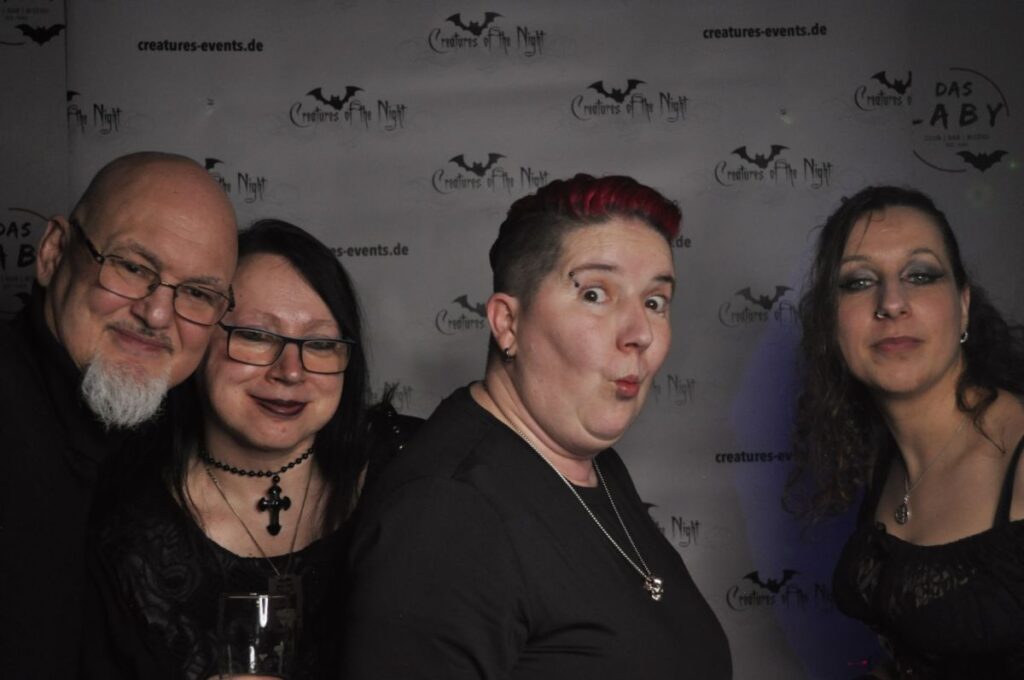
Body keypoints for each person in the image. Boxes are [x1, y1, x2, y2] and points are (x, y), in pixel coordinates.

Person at [341, 174, 732, 679]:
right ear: (508, 323)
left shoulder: (594, 465)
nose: (640, 333)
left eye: (655, 302)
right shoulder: (447, 513)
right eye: (595, 294)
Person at [83, 219, 414, 679]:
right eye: (256, 336)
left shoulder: (413, 470)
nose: (291, 372)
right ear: (198, 338)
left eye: (320, 343)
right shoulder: (118, 520)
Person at [0, 152, 238, 678]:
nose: (157, 313)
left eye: (198, 293)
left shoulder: (152, 440)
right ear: (53, 252)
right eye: (132, 267)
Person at [787, 185, 1024, 678]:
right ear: (831, 323)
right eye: (858, 281)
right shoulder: (882, 456)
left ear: (963, 305)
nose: (891, 303)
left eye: (920, 275)